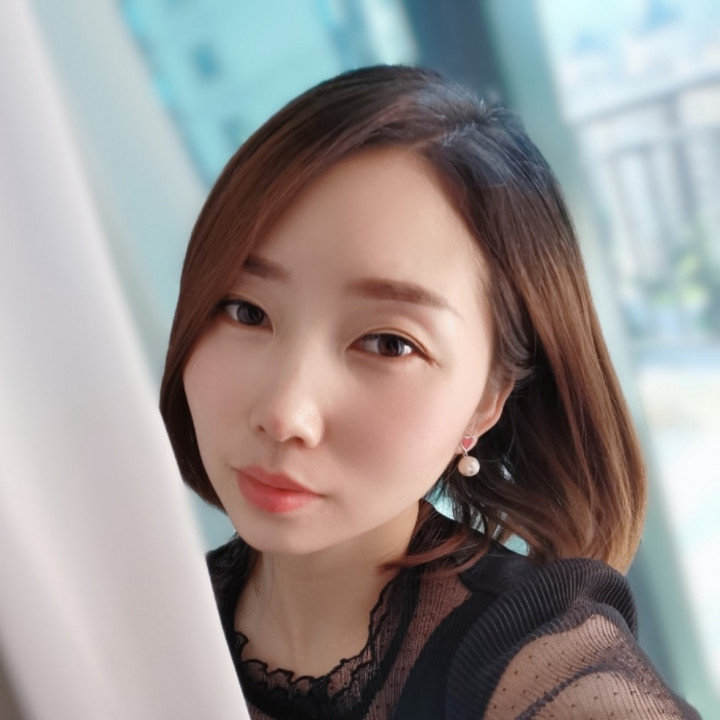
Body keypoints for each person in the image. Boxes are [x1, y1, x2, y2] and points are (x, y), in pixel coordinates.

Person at [159, 65, 700, 719]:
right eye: (246, 311)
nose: (284, 413)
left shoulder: (534, 658)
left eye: (389, 343)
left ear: (488, 399)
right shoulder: (143, 614)